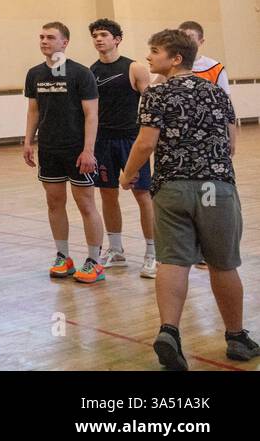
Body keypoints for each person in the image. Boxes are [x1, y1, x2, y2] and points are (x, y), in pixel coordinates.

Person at [120, 29, 258, 368]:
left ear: (176, 58)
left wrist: (127, 174)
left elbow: (145, 143)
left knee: (173, 261)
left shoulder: (155, 93)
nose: (149, 57)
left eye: (155, 52)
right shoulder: (216, 92)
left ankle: (169, 332)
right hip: (217, 188)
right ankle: (237, 337)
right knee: (223, 263)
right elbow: (230, 142)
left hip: (173, 187)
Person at [23, 21, 106, 285]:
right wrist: (28, 141)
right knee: (54, 202)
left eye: (50, 37)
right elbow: (33, 110)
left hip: (77, 150)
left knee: (85, 204)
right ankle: (63, 256)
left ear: (64, 42)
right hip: (49, 149)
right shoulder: (34, 73)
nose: (44, 41)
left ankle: (95, 260)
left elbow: (91, 114)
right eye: (41, 37)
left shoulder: (81, 74)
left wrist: (88, 150)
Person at [88, 19, 155, 277]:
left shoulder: (134, 68)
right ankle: (116, 250)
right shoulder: (90, 72)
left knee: (142, 194)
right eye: (95, 35)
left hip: (130, 141)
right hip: (102, 142)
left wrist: (151, 140)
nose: (98, 39)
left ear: (117, 39)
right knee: (107, 195)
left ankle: (152, 252)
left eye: (104, 34)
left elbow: (151, 106)